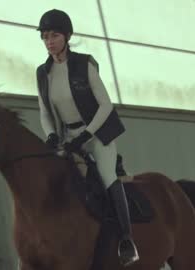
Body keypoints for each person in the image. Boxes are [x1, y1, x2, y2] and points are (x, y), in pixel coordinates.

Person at [35, 9, 139, 267]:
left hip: (97, 134)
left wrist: (86, 135)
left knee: (106, 176)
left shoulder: (84, 64)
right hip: (67, 137)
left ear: (67, 36)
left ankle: (127, 240)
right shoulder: (42, 73)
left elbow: (105, 105)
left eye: (54, 35)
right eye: (45, 37)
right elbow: (44, 111)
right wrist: (50, 136)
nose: (49, 41)